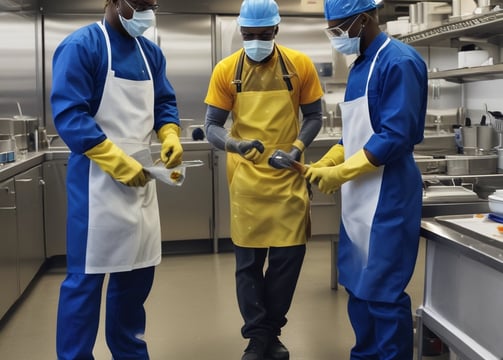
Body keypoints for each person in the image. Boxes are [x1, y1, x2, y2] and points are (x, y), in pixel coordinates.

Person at [50, 0, 183, 358]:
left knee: (135, 280)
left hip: (141, 186)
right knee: (85, 284)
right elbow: (70, 115)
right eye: (139, 4)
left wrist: (169, 134)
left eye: (152, 4)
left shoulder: (150, 54)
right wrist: (115, 161)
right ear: (113, 1)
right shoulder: (82, 47)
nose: (147, 12)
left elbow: (164, 103)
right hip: (96, 188)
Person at [305, 0, 428, 359]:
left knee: (383, 293)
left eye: (340, 26)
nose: (336, 36)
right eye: (331, 28)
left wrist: (341, 173)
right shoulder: (360, 66)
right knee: (359, 288)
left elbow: (394, 135)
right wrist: (327, 161)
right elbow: (355, 135)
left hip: (388, 196)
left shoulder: (399, 62)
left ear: (365, 19)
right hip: (359, 197)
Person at [204, 0, 324, 359]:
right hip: (247, 181)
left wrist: (298, 148)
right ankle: (258, 337)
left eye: (262, 35)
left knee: (288, 261)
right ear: (241, 32)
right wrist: (236, 144)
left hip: (288, 174)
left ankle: (270, 330)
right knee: (248, 266)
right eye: (248, 35)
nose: (255, 42)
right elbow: (211, 126)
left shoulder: (299, 65)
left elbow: (314, 115)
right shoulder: (227, 71)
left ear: (276, 30)